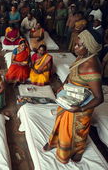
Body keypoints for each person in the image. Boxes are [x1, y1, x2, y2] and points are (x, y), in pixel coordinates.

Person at [43, 29, 103, 164]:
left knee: (76, 132)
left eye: (79, 45)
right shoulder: (82, 56)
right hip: (70, 96)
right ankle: (54, 141)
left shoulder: (91, 66)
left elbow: (99, 98)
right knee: (60, 122)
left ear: (89, 48)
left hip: (81, 106)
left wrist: (80, 109)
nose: (75, 47)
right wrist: (63, 85)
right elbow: (71, 73)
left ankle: (76, 151)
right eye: (76, 44)